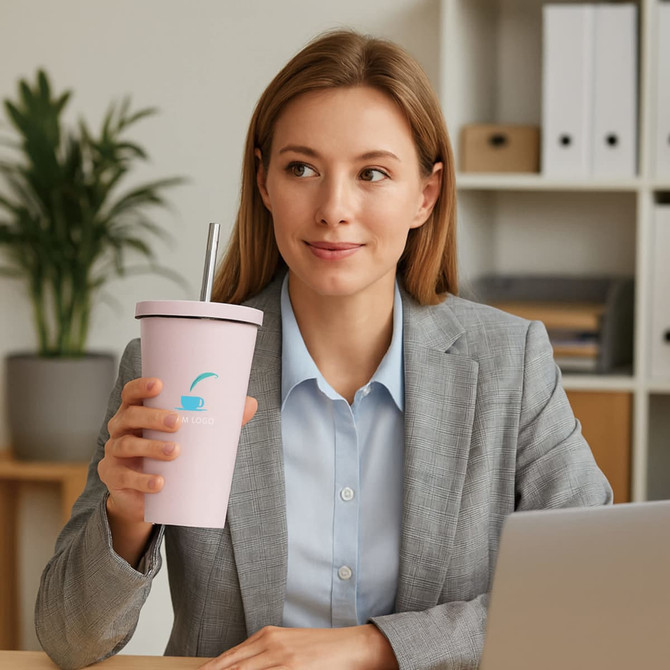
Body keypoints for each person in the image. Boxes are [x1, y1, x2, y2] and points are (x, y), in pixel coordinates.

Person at [35, 29, 612, 670]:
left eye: (372, 173)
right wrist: (126, 516)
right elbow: (69, 640)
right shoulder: (172, 365)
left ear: (425, 194)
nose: (334, 208)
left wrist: (375, 646)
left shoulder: (511, 363)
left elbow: (594, 590)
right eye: (302, 169)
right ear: (263, 183)